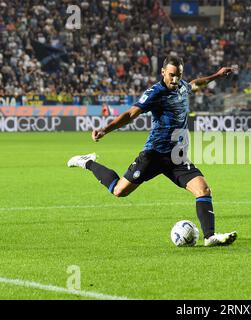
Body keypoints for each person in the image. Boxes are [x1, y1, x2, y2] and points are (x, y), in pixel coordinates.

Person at [67, 55, 237, 246]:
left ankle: (210, 237)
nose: (175, 79)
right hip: (153, 155)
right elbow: (131, 114)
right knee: (118, 191)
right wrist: (105, 130)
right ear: (163, 72)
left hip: (177, 157)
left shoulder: (182, 86)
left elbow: (196, 84)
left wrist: (217, 75)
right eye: (171, 75)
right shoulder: (155, 92)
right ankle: (87, 162)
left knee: (204, 190)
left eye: (178, 75)